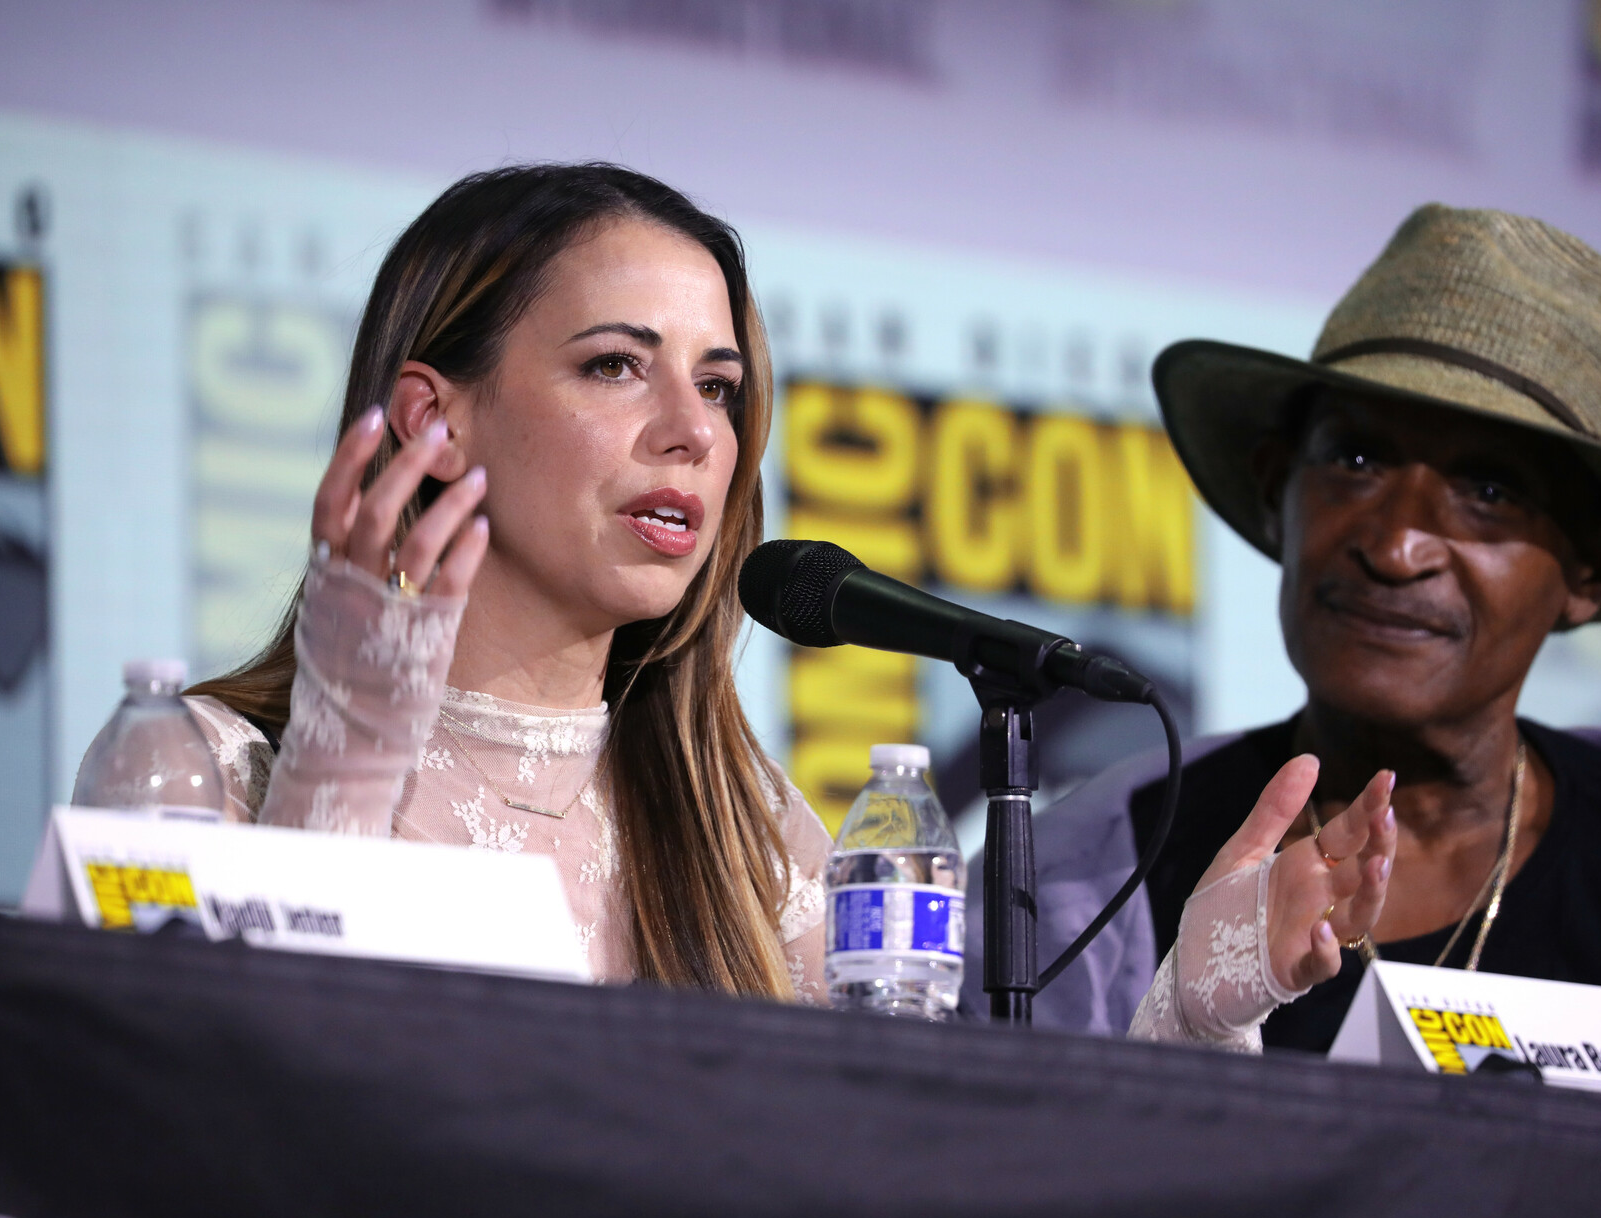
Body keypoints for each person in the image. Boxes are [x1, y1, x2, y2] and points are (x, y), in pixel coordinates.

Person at [124, 163, 1394, 1032]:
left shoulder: (754, 839)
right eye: (615, 365)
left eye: (720, 387)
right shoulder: (195, 768)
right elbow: (192, 1128)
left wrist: (1191, 1009)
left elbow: (919, 1201)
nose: (693, 431)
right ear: (432, 419)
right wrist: (346, 755)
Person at [1014, 203, 1601, 1092]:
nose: (1395, 546)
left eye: (1489, 490)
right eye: (1356, 461)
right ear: (1276, 492)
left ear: (1591, 571)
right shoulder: (1079, 875)